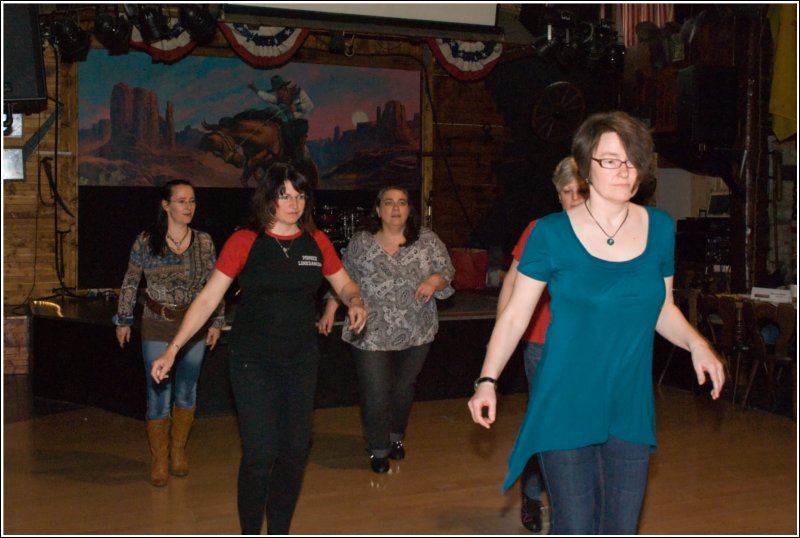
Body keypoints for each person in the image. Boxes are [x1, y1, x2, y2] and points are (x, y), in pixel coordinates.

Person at [468, 111, 725, 535]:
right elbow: (515, 315)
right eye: (610, 160)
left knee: (621, 528)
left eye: (632, 160)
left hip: (629, 401)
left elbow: (662, 308)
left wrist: (698, 344)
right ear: (587, 166)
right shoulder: (550, 234)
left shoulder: (659, 228)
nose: (624, 170)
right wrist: (487, 380)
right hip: (565, 398)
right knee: (577, 526)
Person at [149, 163, 366, 535]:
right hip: (253, 362)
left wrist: (355, 300)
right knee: (261, 454)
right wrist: (173, 349)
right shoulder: (245, 240)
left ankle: (278, 530)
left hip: (300, 361)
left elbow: (345, 284)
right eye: (284, 195)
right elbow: (206, 300)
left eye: (299, 196)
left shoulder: (316, 241)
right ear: (269, 197)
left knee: (295, 453)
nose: (293, 203)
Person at [318, 186, 455, 474]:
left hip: (416, 329)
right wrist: (331, 309)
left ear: (408, 209)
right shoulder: (361, 243)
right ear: (378, 210)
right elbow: (342, 278)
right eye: (389, 203)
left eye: (402, 203)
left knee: (402, 390)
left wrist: (434, 281)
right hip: (369, 330)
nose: (396, 208)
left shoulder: (427, 241)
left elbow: (447, 272)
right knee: (375, 392)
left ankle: (395, 438)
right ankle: (378, 448)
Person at [113, 179, 224, 488]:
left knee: (187, 390)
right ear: (166, 205)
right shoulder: (146, 241)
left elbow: (216, 285)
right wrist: (123, 319)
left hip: (194, 326)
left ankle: (178, 452)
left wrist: (216, 321)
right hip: (156, 322)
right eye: (181, 201)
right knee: (158, 394)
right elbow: (131, 280)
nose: (188, 207)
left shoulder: (204, 242)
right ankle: (159, 458)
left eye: (192, 201)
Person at [496, 157, 587, 532]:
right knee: (548, 422)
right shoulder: (540, 229)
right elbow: (512, 286)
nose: (574, 200)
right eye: (566, 192)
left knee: (582, 424)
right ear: (557, 193)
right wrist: (503, 337)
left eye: (580, 192)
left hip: (588, 346)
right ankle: (534, 493)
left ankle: (573, 502)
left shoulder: (605, 231)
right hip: (541, 342)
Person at [247, 74, 314, 163]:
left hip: (300, 122)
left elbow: (310, 106)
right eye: (276, 91)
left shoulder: (299, 93)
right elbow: (266, 97)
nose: (278, 93)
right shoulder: (278, 99)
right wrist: (255, 90)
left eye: (279, 90)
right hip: (289, 124)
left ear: (284, 88)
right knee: (281, 133)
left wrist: (297, 108)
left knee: (295, 135)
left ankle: (297, 158)